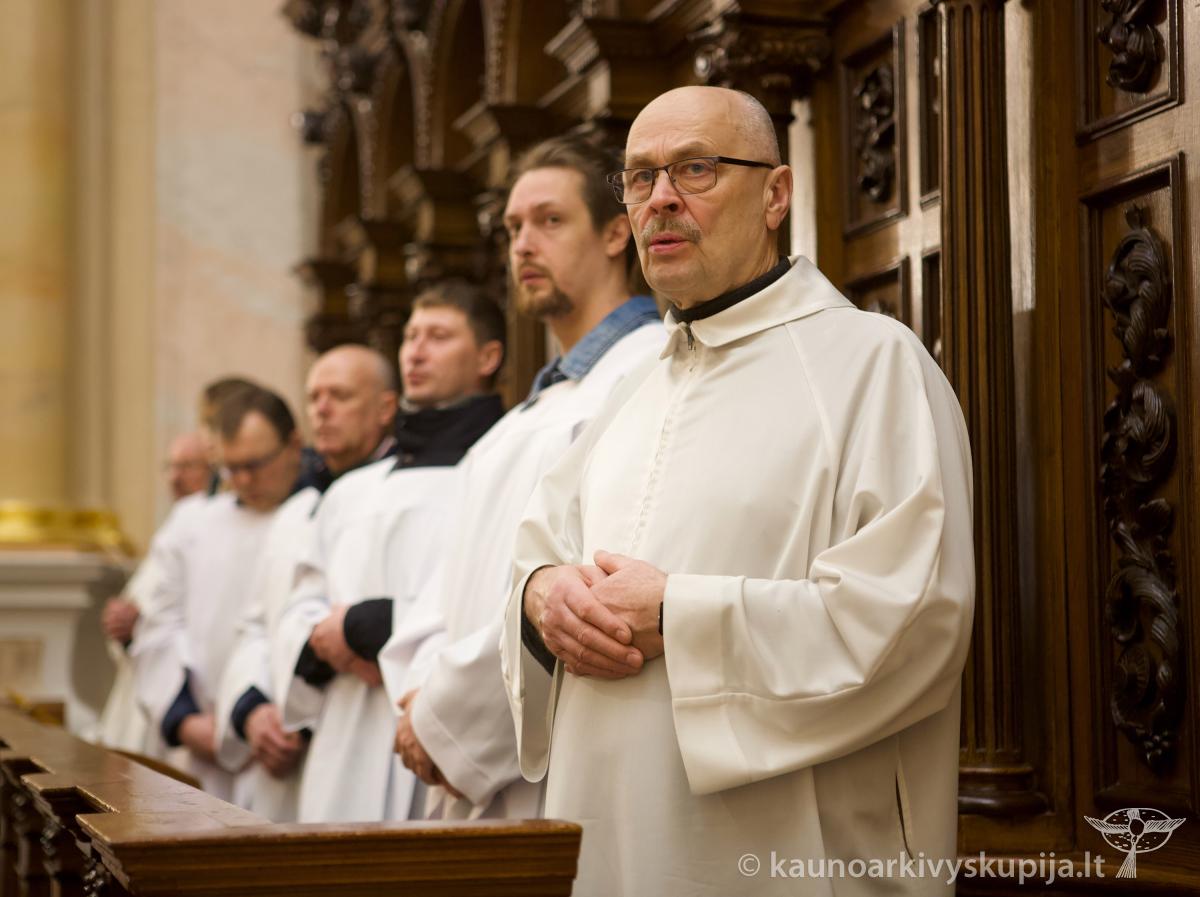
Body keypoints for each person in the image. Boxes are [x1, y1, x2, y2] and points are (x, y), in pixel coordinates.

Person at [501, 86, 975, 897]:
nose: (661, 199)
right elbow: (536, 554)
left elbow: (913, 620)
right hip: (604, 844)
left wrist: (677, 615)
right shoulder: (630, 390)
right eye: (640, 177)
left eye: (695, 169)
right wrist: (542, 598)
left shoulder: (872, 365)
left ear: (775, 195)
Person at [383, 135, 665, 821]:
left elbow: (589, 587)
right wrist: (420, 700)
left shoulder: (650, 373)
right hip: (470, 761)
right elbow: (443, 589)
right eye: (513, 228)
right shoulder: (521, 420)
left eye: (550, 220)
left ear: (615, 233)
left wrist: (447, 721)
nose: (524, 245)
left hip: (562, 764)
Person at [273, 281, 506, 822]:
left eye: (438, 336)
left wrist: (374, 628)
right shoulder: (351, 492)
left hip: (435, 726)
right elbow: (299, 605)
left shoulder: (500, 471)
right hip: (344, 736)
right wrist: (324, 639)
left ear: (488, 358)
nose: (415, 353)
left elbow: (499, 600)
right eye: (410, 337)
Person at [212, 344, 400, 821]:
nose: (322, 409)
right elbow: (257, 627)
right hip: (279, 759)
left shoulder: (408, 500)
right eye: (314, 397)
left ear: (386, 408)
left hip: (365, 746)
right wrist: (252, 711)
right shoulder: (296, 512)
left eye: (339, 395)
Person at [132, 385, 304, 801]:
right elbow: (158, 626)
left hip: (282, 746)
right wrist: (185, 720)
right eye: (230, 468)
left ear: (294, 446)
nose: (242, 480)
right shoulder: (192, 524)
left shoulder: (318, 516)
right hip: (198, 743)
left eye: (255, 465)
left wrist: (260, 721)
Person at [93, 430, 212, 755]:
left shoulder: (211, 526)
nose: (175, 477)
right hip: (139, 690)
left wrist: (141, 625)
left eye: (187, 466)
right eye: (170, 467)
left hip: (181, 700)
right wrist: (124, 625)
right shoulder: (174, 527)